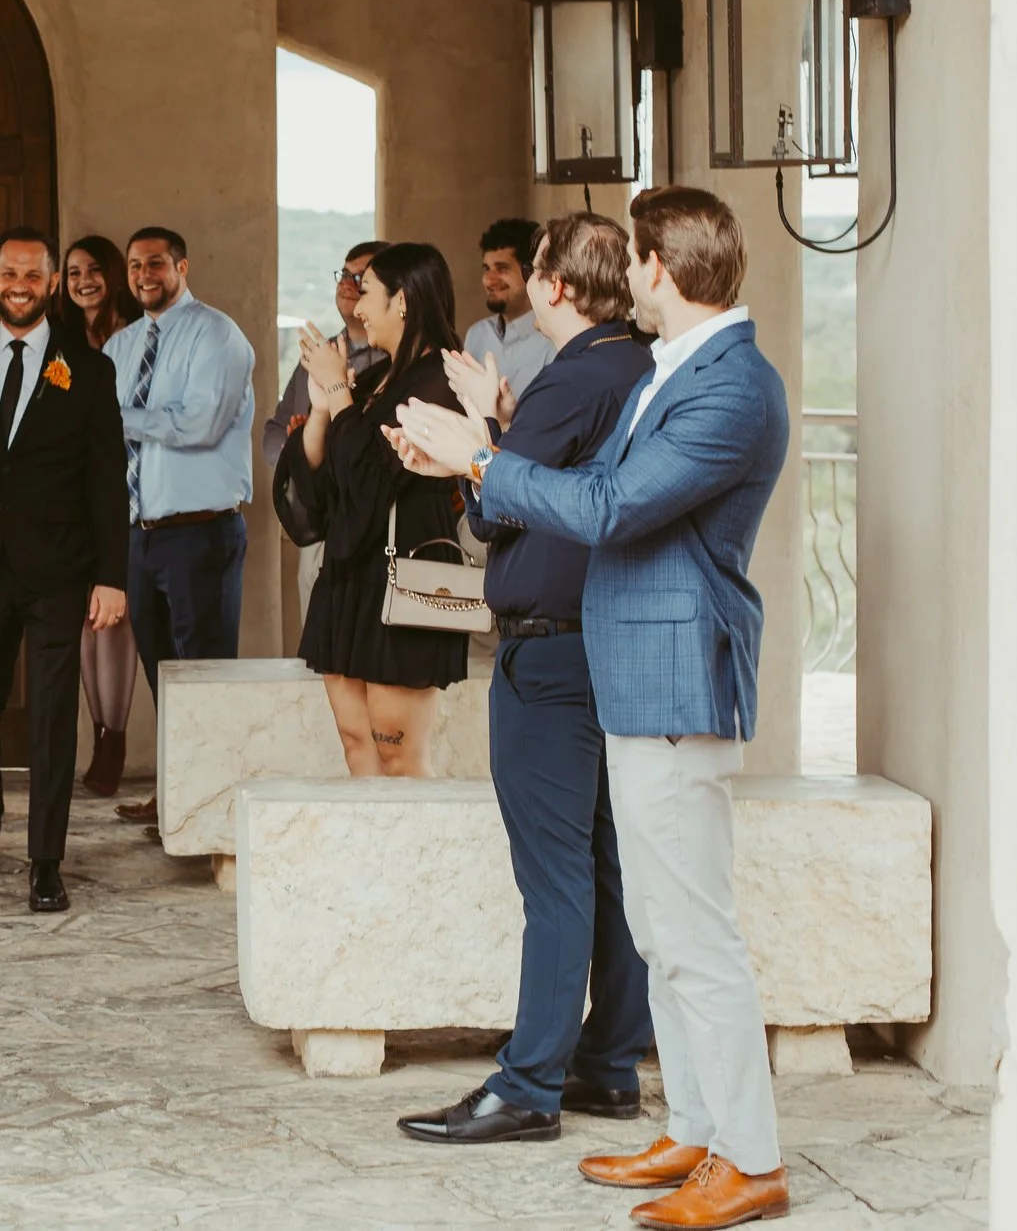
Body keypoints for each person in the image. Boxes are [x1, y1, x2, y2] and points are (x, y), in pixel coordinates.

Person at [393, 187, 793, 1229]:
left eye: (639, 261)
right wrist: (497, 437)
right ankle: (697, 1131)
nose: (630, 279)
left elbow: (611, 508)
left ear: (660, 268)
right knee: (658, 923)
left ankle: (748, 1157)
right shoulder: (679, 368)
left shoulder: (733, 385)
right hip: (631, 676)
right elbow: (593, 489)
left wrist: (478, 454)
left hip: (671, 681)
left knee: (695, 930)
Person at [394, 212, 653, 1146]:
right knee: (610, 865)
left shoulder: (576, 375)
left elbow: (500, 513)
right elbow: (553, 477)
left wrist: (467, 445)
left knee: (555, 876)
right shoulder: (635, 365)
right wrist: (497, 422)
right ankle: (609, 1063)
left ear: (553, 286)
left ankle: (529, 1083)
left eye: (533, 269)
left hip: (548, 653)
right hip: (608, 644)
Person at [0, 229, 131, 912]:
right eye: (8, 271)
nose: (20, 282)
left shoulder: (89, 367)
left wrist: (113, 574)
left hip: (59, 570)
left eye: (33, 273)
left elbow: (110, 481)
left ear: (52, 284)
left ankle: (47, 860)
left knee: (51, 719)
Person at [284, 242, 470, 777]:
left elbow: (369, 481)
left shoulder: (440, 379)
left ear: (404, 301)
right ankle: (371, 862)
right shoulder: (374, 378)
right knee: (355, 745)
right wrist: (324, 408)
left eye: (367, 294)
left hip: (403, 577)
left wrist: (340, 390)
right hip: (349, 578)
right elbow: (324, 482)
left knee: (398, 753)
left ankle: (414, 863)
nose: (357, 307)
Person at [103, 226, 255, 823]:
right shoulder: (120, 346)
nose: (144, 274)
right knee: (163, 675)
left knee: (205, 674)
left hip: (200, 533)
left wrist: (121, 417)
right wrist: (136, 417)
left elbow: (199, 426)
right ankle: (177, 797)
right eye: (136, 265)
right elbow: (107, 425)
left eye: (157, 263)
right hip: (140, 535)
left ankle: (214, 809)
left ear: (182, 266)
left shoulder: (218, 335)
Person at [265, 240, 388, 618]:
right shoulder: (319, 356)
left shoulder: (401, 359)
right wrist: (300, 451)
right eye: (343, 274)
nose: (347, 284)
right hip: (322, 519)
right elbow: (274, 432)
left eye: (360, 277)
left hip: (379, 531)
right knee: (320, 651)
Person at [61, 235, 142, 797]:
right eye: (72, 273)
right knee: (85, 625)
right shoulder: (62, 344)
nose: (83, 280)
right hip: (75, 497)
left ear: (113, 275)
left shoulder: (139, 336)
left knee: (116, 625)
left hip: (137, 492)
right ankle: (97, 733)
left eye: (93, 270)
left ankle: (115, 738)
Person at [462, 217, 553, 399]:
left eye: (502, 268)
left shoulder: (552, 339)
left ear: (531, 272)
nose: (489, 280)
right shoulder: (476, 335)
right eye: (487, 268)